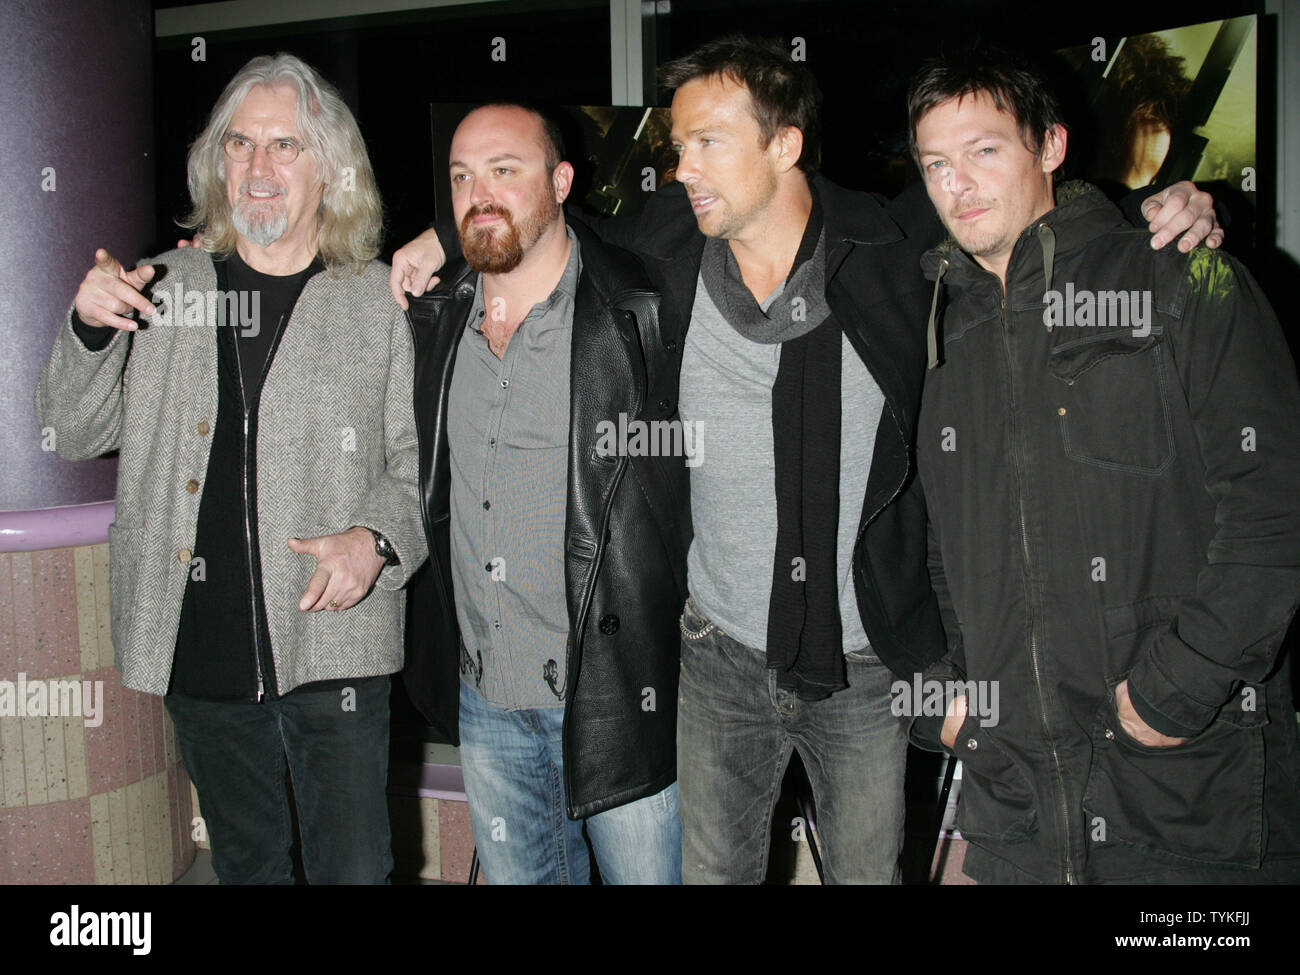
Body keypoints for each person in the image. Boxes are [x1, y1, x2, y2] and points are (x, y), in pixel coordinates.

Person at [389, 36, 1221, 885]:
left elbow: (1011, 206)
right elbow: (539, 227)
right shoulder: (670, 246)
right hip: (714, 658)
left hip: (863, 665)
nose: (682, 168)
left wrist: (1159, 207)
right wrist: (441, 239)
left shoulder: (888, 246)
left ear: (784, 145)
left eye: (707, 142)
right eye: (679, 147)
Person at [909, 47, 1300, 883]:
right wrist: (951, 697)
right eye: (937, 163)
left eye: (984, 151)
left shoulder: (1179, 275)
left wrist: (1179, 687)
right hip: (1013, 803)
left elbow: (1275, 505)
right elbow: (942, 544)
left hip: (1183, 789)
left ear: (1050, 147)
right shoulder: (945, 339)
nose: (959, 184)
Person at [35, 53, 426, 884]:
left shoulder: (379, 302)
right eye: (240, 144)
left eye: (285, 146)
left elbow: (418, 467)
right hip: (201, 655)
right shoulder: (163, 288)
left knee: (355, 870)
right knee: (248, 866)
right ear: (218, 162)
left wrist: (378, 543)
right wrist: (90, 328)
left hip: (337, 649)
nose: (259, 168)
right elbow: (71, 430)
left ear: (330, 168)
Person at [400, 103, 687, 884]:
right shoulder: (434, 316)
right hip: (487, 698)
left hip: (618, 697)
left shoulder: (638, 308)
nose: (477, 193)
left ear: (562, 182)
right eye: (460, 177)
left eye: (504, 170)